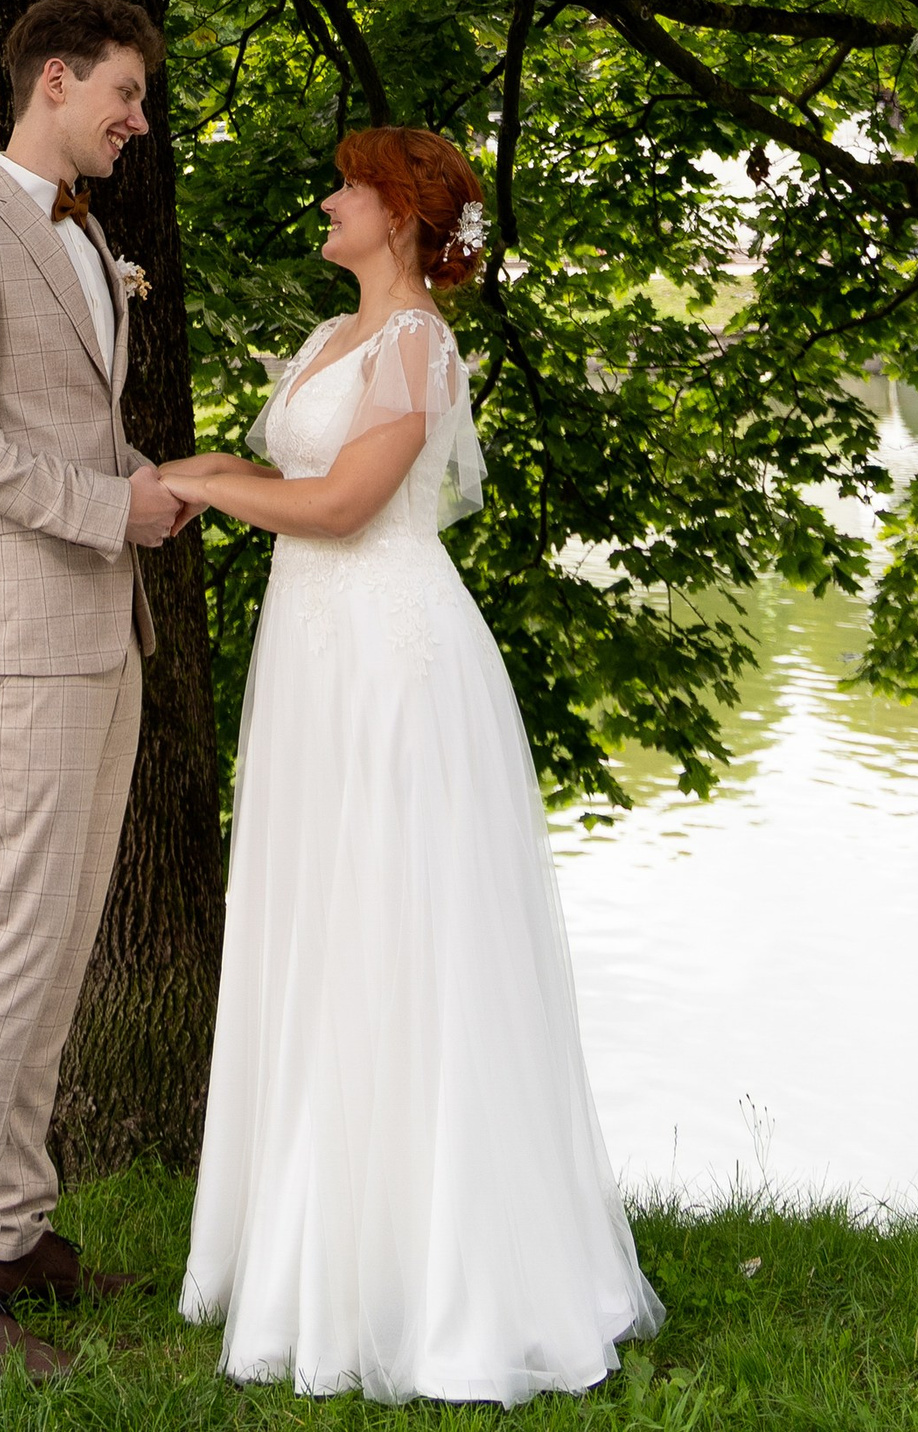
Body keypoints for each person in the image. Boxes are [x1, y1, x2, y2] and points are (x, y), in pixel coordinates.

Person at [158, 124, 663, 1407]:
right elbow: (300, 476)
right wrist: (226, 469)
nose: (323, 199)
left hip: (391, 660)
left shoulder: (416, 345)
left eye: (342, 186)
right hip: (316, 655)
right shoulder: (332, 339)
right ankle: (328, 1247)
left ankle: (442, 1277)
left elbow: (339, 508)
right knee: (324, 924)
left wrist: (212, 486)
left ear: (395, 212)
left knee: (398, 930)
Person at [0, 0, 194, 1378]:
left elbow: (63, 421)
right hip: (24, 637)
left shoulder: (88, 235)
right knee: (13, 945)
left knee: (62, 945)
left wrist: (141, 480)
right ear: (59, 82)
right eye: (125, 96)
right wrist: (100, 508)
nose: (140, 121)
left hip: (100, 632)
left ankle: (16, 1235)